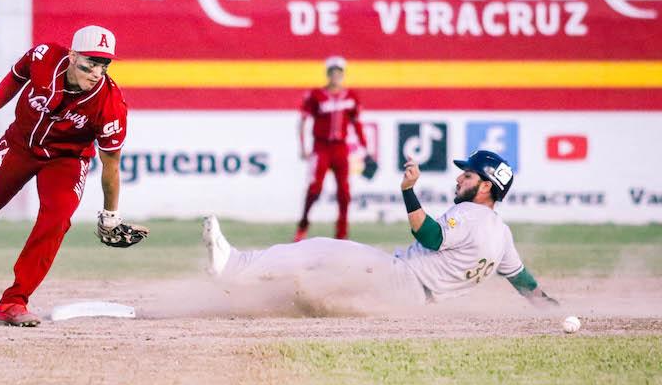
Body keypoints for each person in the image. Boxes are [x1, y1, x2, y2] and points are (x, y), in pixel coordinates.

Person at [0, 25, 146, 327]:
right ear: (71, 55)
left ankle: (14, 301)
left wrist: (110, 214)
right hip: (21, 144)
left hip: (67, 159)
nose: (96, 72)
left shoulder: (110, 104)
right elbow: (16, 76)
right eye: (90, 63)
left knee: (56, 221)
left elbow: (111, 165)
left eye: (103, 65)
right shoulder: (45, 57)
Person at [204, 150, 556, 308]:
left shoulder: (470, 215)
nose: (459, 178)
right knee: (314, 283)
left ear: (484, 187)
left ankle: (234, 266)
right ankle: (243, 290)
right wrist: (549, 307)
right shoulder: (502, 235)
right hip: (413, 300)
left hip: (398, 277)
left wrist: (408, 190)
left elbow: (429, 236)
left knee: (318, 251)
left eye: (468, 175)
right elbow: (523, 281)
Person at [295, 55, 375, 242]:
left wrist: (365, 149)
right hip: (321, 146)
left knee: (344, 192)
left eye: (339, 73)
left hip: (340, 147)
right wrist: (303, 147)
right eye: (332, 73)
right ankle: (303, 225)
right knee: (315, 188)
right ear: (328, 74)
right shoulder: (316, 95)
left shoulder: (351, 96)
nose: (336, 77)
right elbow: (303, 121)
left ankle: (342, 233)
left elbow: (357, 124)